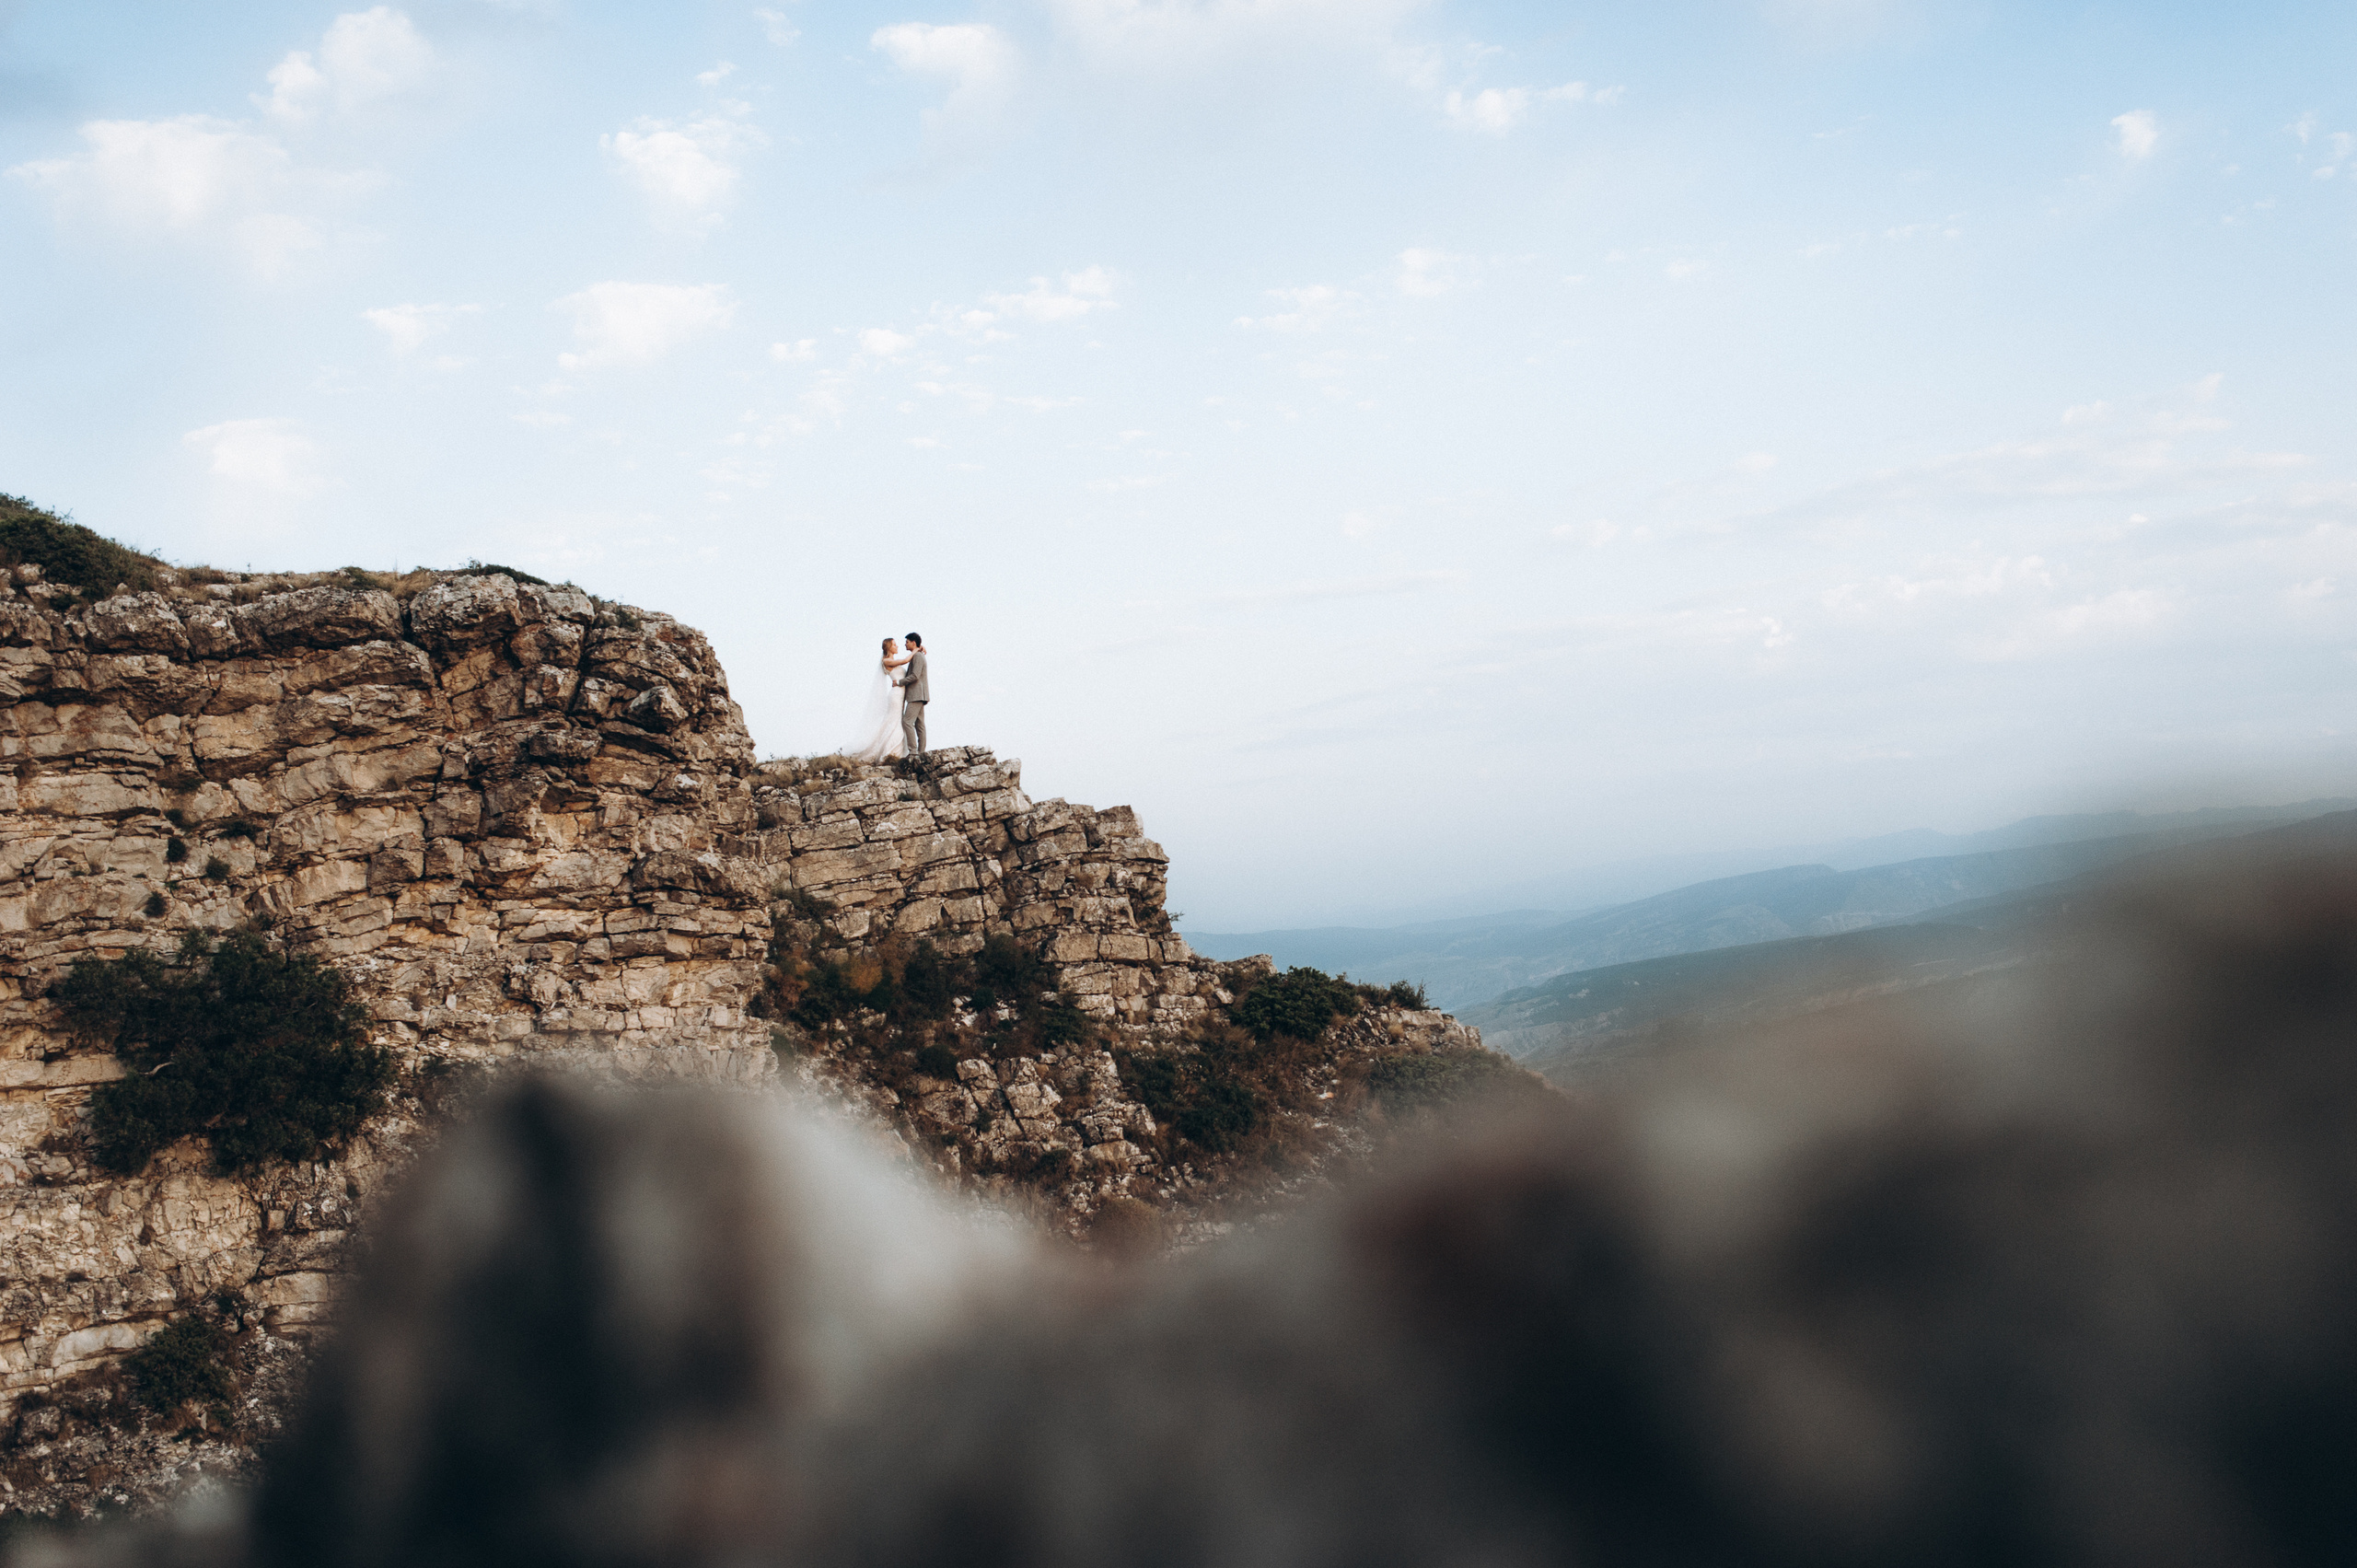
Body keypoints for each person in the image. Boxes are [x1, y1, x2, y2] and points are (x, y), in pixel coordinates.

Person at [850, 637, 912, 763]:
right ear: (889, 647)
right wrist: (917, 650)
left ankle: (892, 752)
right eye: (894, 644)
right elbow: (906, 660)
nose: (897, 646)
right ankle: (891, 753)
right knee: (896, 723)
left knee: (895, 722)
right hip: (895, 696)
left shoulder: (892, 660)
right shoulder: (887, 661)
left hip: (900, 695)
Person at [896, 633, 928, 757]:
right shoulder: (918, 655)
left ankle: (914, 751)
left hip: (917, 694)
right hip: (919, 695)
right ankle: (921, 752)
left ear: (913, 642)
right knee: (919, 724)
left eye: (907, 642)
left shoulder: (918, 657)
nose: (905, 644)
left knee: (907, 721)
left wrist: (899, 682)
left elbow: (915, 676)